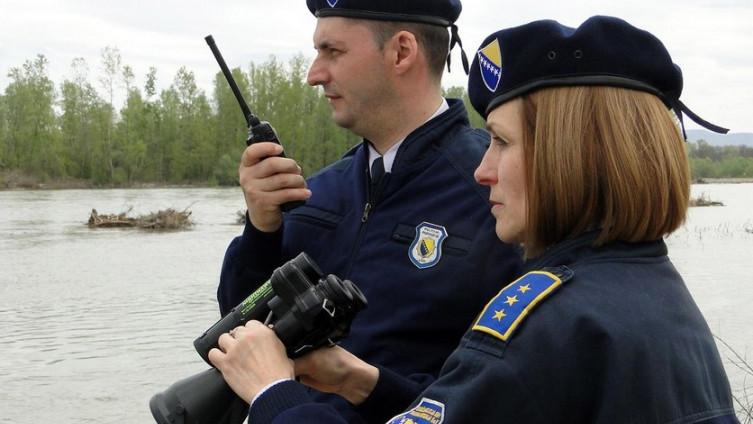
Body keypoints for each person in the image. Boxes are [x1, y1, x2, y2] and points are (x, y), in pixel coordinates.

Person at [209, 16, 740, 423]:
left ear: (569, 156)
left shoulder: (549, 321)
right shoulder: (649, 292)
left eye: (502, 142)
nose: (483, 170)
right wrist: (364, 382)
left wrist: (274, 395)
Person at [215, 0, 521, 421]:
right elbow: (236, 341)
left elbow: (514, 391)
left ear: (402, 52)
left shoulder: (501, 196)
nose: (313, 74)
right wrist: (261, 232)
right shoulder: (313, 193)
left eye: (332, 51)